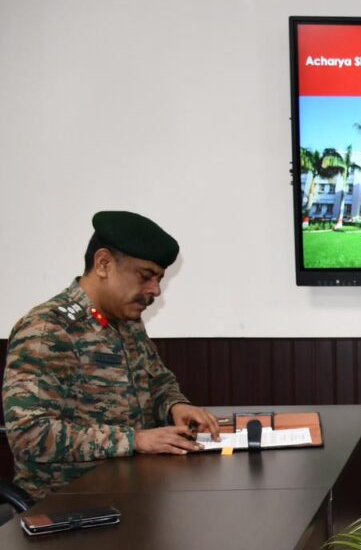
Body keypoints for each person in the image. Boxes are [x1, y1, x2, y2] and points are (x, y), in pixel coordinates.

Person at [2, 211, 221, 499]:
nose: (155, 290)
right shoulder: (48, 330)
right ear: (103, 264)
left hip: (135, 492)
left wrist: (175, 406)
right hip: (67, 505)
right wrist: (134, 440)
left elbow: (158, 382)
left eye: (159, 278)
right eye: (145, 276)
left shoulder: (126, 322)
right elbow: (29, 434)